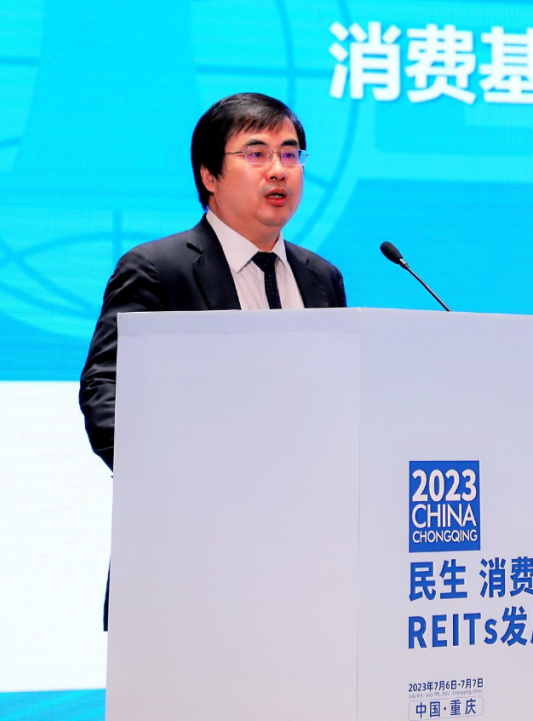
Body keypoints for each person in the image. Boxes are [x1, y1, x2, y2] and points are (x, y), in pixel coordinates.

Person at [79, 93, 347, 630]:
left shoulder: (322, 278)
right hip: (188, 563)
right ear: (209, 175)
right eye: (256, 153)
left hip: (307, 563)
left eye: (290, 154)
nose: (279, 170)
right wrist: (181, 481)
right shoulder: (158, 269)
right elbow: (105, 393)